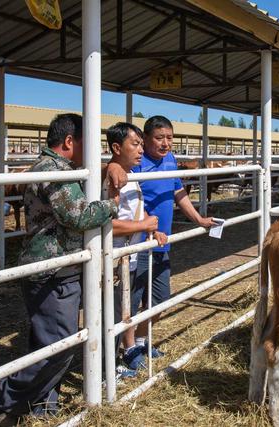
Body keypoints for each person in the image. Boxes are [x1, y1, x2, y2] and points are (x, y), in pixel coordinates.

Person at [0, 114, 127, 425]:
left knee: (50, 341)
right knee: (58, 346)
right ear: (69, 142)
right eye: (86, 142)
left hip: (59, 266)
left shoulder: (60, 169)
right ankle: (3, 396)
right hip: (50, 268)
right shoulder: (53, 170)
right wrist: (113, 203)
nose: (93, 150)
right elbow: (78, 216)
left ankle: (42, 407)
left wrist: (111, 167)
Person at [124, 116, 215, 370]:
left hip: (162, 240)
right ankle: (128, 348)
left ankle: (142, 339)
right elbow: (130, 201)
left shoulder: (171, 160)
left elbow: (178, 192)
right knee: (133, 297)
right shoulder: (137, 164)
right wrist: (147, 228)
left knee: (160, 296)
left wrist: (198, 218)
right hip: (139, 242)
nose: (166, 143)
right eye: (159, 138)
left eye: (170, 138)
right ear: (146, 139)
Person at [105, 122, 167, 376]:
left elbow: (134, 212)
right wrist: (142, 224)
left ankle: (121, 356)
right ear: (117, 147)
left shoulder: (131, 176)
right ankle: (106, 371)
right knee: (111, 314)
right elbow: (104, 223)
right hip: (113, 258)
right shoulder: (113, 178)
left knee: (122, 311)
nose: (141, 149)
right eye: (135, 144)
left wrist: (151, 229)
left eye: (142, 144)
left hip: (127, 257)